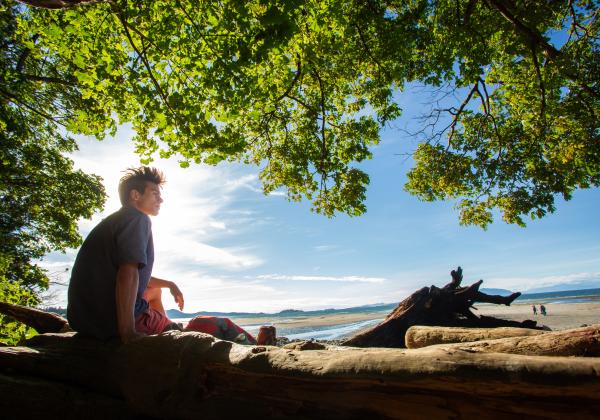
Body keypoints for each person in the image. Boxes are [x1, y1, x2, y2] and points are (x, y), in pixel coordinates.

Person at [68, 167, 184, 343]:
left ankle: (158, 322)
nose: (160, 199)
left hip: (84, 320)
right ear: (135, 195)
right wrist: (128, 332)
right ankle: (164, 328)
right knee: (190, 331)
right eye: (154, 193)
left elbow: (132, 275)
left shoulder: (115, 221)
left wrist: (170, 284)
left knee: (155, 290)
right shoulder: (138, 219)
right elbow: (127, 273)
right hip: (110, 322)